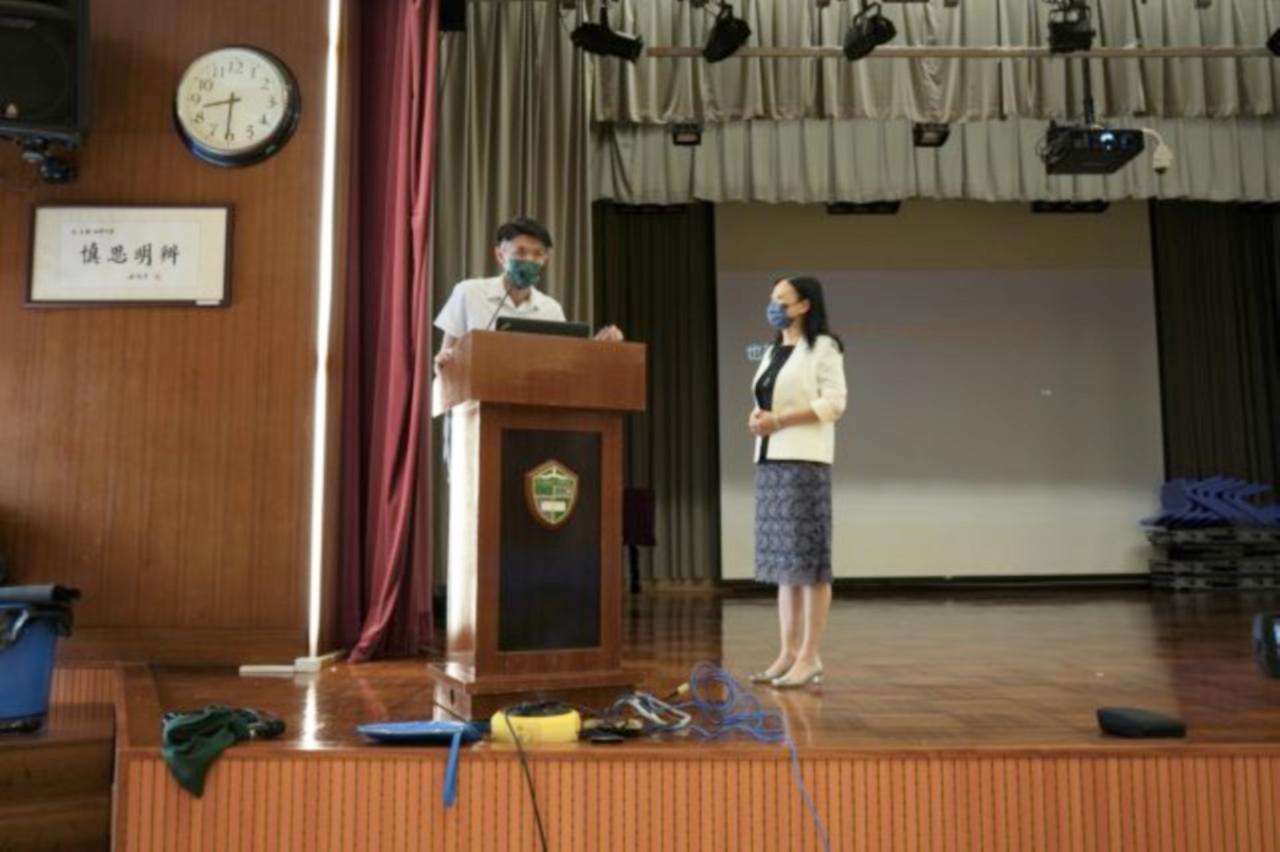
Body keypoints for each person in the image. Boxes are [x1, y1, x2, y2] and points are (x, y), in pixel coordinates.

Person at [747, 276, 847, 689]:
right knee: (785, 566)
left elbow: (834, 403)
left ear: (805, 305)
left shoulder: (824, 347)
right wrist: (758, 417)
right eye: (772, 298)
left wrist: (779, 420)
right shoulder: (772, 349)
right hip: (771, 462)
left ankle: (810, 656)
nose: (774, 306)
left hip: (804, 463)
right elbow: (766, 400)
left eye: (782, 300)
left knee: (809, 563)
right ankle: (788, 652)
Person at [434, 216, 621, 369]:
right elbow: (443, 362)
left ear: (545, 259)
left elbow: (565, 365)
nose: (529, 260)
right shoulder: (469, 292)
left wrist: (597, 347)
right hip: (473, 400)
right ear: (500, 255)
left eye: (538, 254)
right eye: (521, 252)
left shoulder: (551, 309)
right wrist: (445, 359)